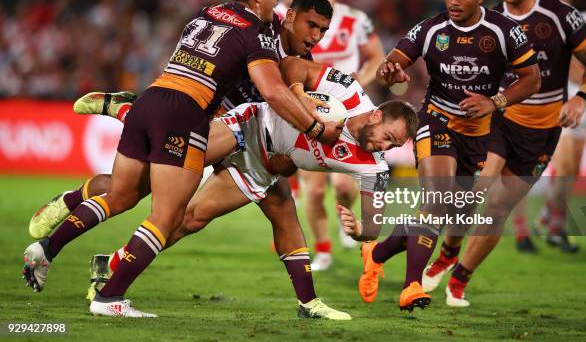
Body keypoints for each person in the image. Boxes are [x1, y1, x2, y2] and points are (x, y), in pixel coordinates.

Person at [21, 0, 342, 318]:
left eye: (323, 30)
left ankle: (69, 247)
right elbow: (274, 91)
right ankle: (109, 288)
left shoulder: (217, 15)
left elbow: (237, 34)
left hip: (178, 106)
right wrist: (316, 129)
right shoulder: (262, 31)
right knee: (166, 213)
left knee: (157, 201)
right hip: (207, 120)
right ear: (286, 13)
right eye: (310, 25)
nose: (316, 36)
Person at [88, 56, 416, 320]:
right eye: (387, 137)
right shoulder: (348, 93)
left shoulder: (374, 166)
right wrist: (302, 97)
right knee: (169, 167)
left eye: (393, 145)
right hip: (250, 123)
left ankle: (112, 265)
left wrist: (360, 230)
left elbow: (374, 223)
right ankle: (130, 111)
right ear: (374, 116)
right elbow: (291, 66)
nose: (383, 148)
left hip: (264, 165)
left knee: (191, 219)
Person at [419, 0, 586, 307]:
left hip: (543, 128)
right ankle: (448, 250)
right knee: (475, 191)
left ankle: (459, 279)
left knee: (499, 208)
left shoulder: (558, 15)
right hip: (500, 118)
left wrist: (581, 97)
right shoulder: (486, 20)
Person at [356, 0, 541, 312]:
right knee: (437, 200)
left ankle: (376, 252)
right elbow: (393, 62)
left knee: (454, 212)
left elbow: (532, 78)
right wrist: (389, 70)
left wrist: (496, 101)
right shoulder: (431, 28)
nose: (454, 0)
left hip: (479, 133)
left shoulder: (503, 30)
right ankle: (411, 285)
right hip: (436, 121)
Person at [513, 0, 586, 253]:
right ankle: (533, 228)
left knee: (569, 170)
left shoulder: (575, 25)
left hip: (577, 100)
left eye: (563, 2)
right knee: (531, 167)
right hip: (546, 102)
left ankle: (548, 220)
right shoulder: (528, 26)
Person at [300, 0, 386, 271]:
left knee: (345, 187)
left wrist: (356, 84)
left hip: (348, 112)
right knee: (315, 188)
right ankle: (322, 251)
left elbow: (377, 56)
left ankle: (343, 219)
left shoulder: (356, 20)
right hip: (308, 110)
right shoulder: (296, 21)